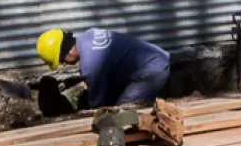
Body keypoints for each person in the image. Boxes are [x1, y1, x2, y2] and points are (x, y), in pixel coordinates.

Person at [35, 27, 170, 110]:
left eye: (61, 60)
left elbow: (97, 106)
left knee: (121, 115)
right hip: (155, 58)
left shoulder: (90, 67)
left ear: (68, 52)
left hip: (151, 71)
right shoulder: (89, 34)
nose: (64, 64)